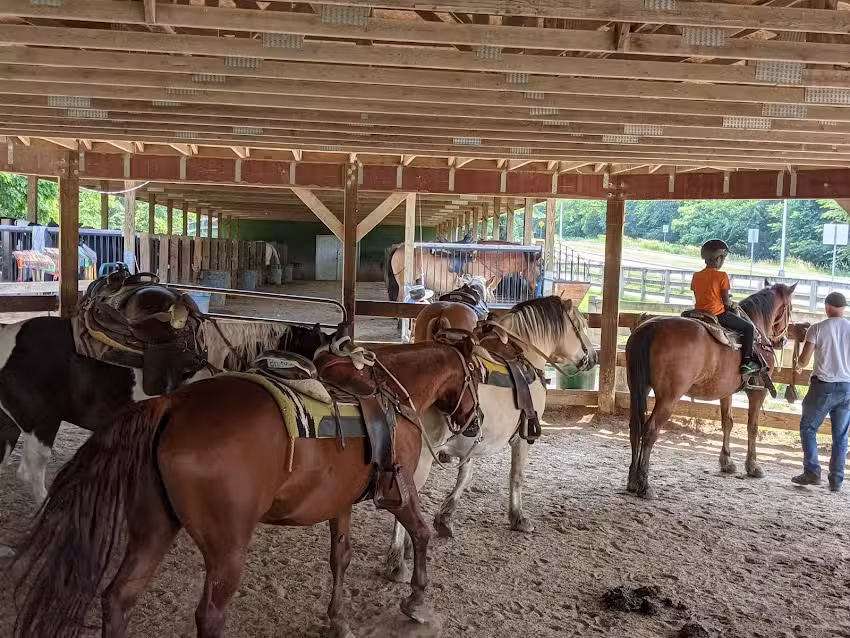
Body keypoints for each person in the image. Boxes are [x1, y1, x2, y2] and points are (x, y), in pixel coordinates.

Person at [791, 291, 850, 491]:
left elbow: (804, 359)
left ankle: (812, 472)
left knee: (808, 428)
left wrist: (798, 365)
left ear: (826, 307)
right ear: (843, 308)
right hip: (847, 387)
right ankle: (836, 480)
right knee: (841, 435)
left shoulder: (817, 329)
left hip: (824, 385)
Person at [691, 239, 759, 375]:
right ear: (718, 258)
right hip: (717, 315)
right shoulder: (722, 276)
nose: (723, 261)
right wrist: (733, 304)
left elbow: (698, 294)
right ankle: (746, 362)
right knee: (748, 328)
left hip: (697, 313)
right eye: (723, 258)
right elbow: (726, 302)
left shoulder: (696, 275)